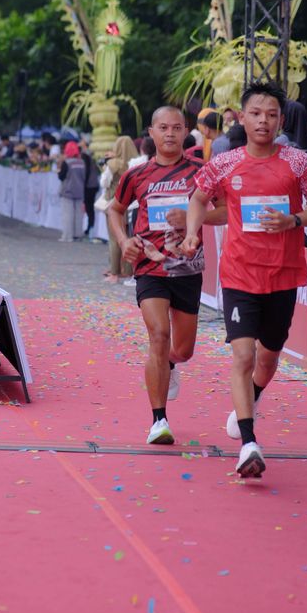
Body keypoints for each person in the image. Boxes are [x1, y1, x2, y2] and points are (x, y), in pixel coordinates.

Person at [181, 82, 307, 478]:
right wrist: (193, 233)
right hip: (239, 273)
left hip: (283, 274)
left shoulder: (298, 162)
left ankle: (254, 395)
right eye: (256, 113)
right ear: (242, 118)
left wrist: (293, 220)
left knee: (268, 357)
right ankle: (249, 444)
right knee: (243, 356)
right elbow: (198, 198)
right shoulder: (225, 163)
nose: (264, 121)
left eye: (271, 115)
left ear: (281, 121)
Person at [108, 106, 226, 445]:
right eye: (163, 128)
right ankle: (158, 420)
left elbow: (226, 211)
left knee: (183, 350)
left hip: (187, 266)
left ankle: (171, 365)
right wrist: (124, 241)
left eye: (176, 127)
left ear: (186, 131)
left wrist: (193, 217)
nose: (170, 133)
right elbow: (115, 209)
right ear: (151, 132)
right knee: (158, 335)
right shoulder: (136, 174)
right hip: (150, 266)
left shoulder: (202, 171)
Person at [101, 136, 138, 282]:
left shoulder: (113, 163)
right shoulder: (137, 163)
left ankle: (114, 272)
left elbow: (104, 183)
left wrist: (106, 165)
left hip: (115, 204)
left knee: (115, 239)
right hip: (131, 204)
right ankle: (128, 270)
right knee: (128, 237)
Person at [57, 141, 86, 242]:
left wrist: (59, 170)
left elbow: (61, 176)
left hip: (68, 191)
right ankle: (77, 234)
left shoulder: (67, 162)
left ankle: (67, 236)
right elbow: (84, 176)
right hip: (80, 190)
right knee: (79, 214)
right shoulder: (82, 162)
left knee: (67, 214)